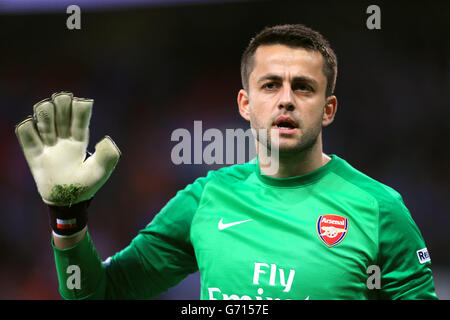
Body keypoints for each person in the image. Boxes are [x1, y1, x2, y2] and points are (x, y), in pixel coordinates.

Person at [15, 24, 438, 300]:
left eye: (304, 88)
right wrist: (67, 220)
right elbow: (99, 295)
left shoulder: (380, 209)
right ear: (245, 104)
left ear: (328, 109)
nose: (286, 99)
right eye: (270, 85)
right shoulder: (206, 198)